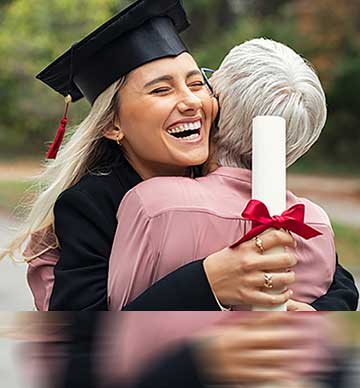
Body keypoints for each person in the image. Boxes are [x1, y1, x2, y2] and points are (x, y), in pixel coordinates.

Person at [3, 0, 357, 311]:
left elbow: (335, 276)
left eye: (196, 82)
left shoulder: (221, 171)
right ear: (113, 125)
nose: (190, 101)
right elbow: (83, 339)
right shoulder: (90, 205)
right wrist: (207, 284)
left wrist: (318, 314)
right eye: (161, 89)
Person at [107, 37, 357, 312]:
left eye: (203, 84)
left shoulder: (153, 204)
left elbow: (115, 336)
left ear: (220, 105)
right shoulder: (314, 225)